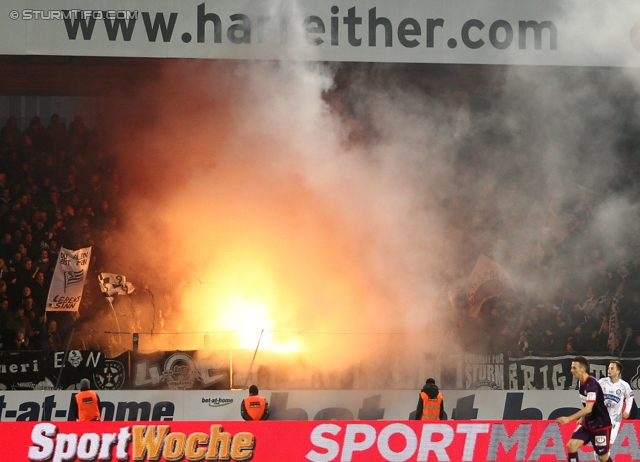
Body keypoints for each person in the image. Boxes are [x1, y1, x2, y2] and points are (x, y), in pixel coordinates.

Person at [555, 356, 614, 462]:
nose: (571, 370)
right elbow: (587, 405)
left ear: (583, 369)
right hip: (588, 423)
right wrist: (582, 418)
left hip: (600, 424)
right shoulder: (580, 382)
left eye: (574, 368)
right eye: (571, 367)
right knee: (571, 446)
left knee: (602, 457)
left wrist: (569, 419)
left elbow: (588, 409)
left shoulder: (592, 385)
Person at [596, 361, 634, 459]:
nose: (609, 370)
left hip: (615, 420)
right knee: (599, 448)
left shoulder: (624, 385)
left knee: (609, 445)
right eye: (608, 368)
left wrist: (627, 410)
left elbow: (630, 397)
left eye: (612, 368)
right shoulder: (602, 382)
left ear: (618, 371)